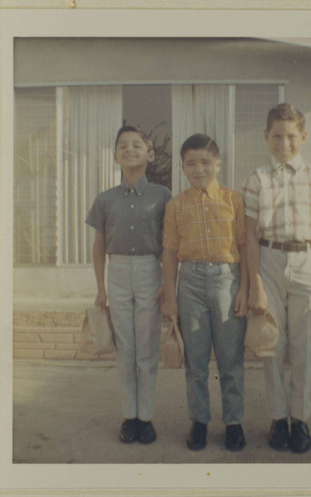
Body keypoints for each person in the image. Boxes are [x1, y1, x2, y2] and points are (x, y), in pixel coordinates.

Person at [242, 103, 311, 454]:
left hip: (307, 260)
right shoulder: (257, 178)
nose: (283, 143)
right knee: (272, 343)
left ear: (302, 136)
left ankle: (299, 419)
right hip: (269, 259)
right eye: (276, 136)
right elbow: (250, 234)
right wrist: (256, 282)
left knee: (304, 345)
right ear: (266, 136)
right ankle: (277, 418)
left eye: (290, 136)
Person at [161, 133, 248, 452]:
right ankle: (199, 422)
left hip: (228, 280)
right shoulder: (175, 205)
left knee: (230, 358)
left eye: (205, 162)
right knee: (195, 360)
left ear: (218, 164)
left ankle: (234, 423)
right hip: (191, 283)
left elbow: (243, 246)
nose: (199, 169)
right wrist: (170, 295)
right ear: (183, 167)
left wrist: (245, 289)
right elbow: (169, 252)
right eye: (191, 163)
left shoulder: (233, 200)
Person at [86, 125, 172, 444]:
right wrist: (100, 287)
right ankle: (129, 417)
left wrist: (167, 282)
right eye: (122, 145)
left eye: (137, 144)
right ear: (115, 156)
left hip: (150, 269)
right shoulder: (106, 199)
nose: (129, 149)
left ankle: (146, 417)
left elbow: (168, 245)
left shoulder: (162, 196)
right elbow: (98, 245)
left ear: (150, 154)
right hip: (118, 271)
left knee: (147, 346)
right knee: (126, 348)